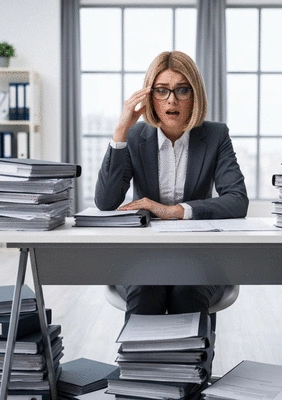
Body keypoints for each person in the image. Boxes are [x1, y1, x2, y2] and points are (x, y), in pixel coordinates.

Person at [95, 50, 248, 323]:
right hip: (142, 257)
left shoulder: (216, 135)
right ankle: (142, 366)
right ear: (149, 97)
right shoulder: (134, 136)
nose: (172, 100)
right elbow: (106, 202)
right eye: (161, 91)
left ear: (195, 96)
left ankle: (191, 367)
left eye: (182, 90)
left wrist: (172, 211)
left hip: (198, 257)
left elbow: (237, 200)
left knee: (186, 294)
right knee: (146, 293)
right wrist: (120, 131)